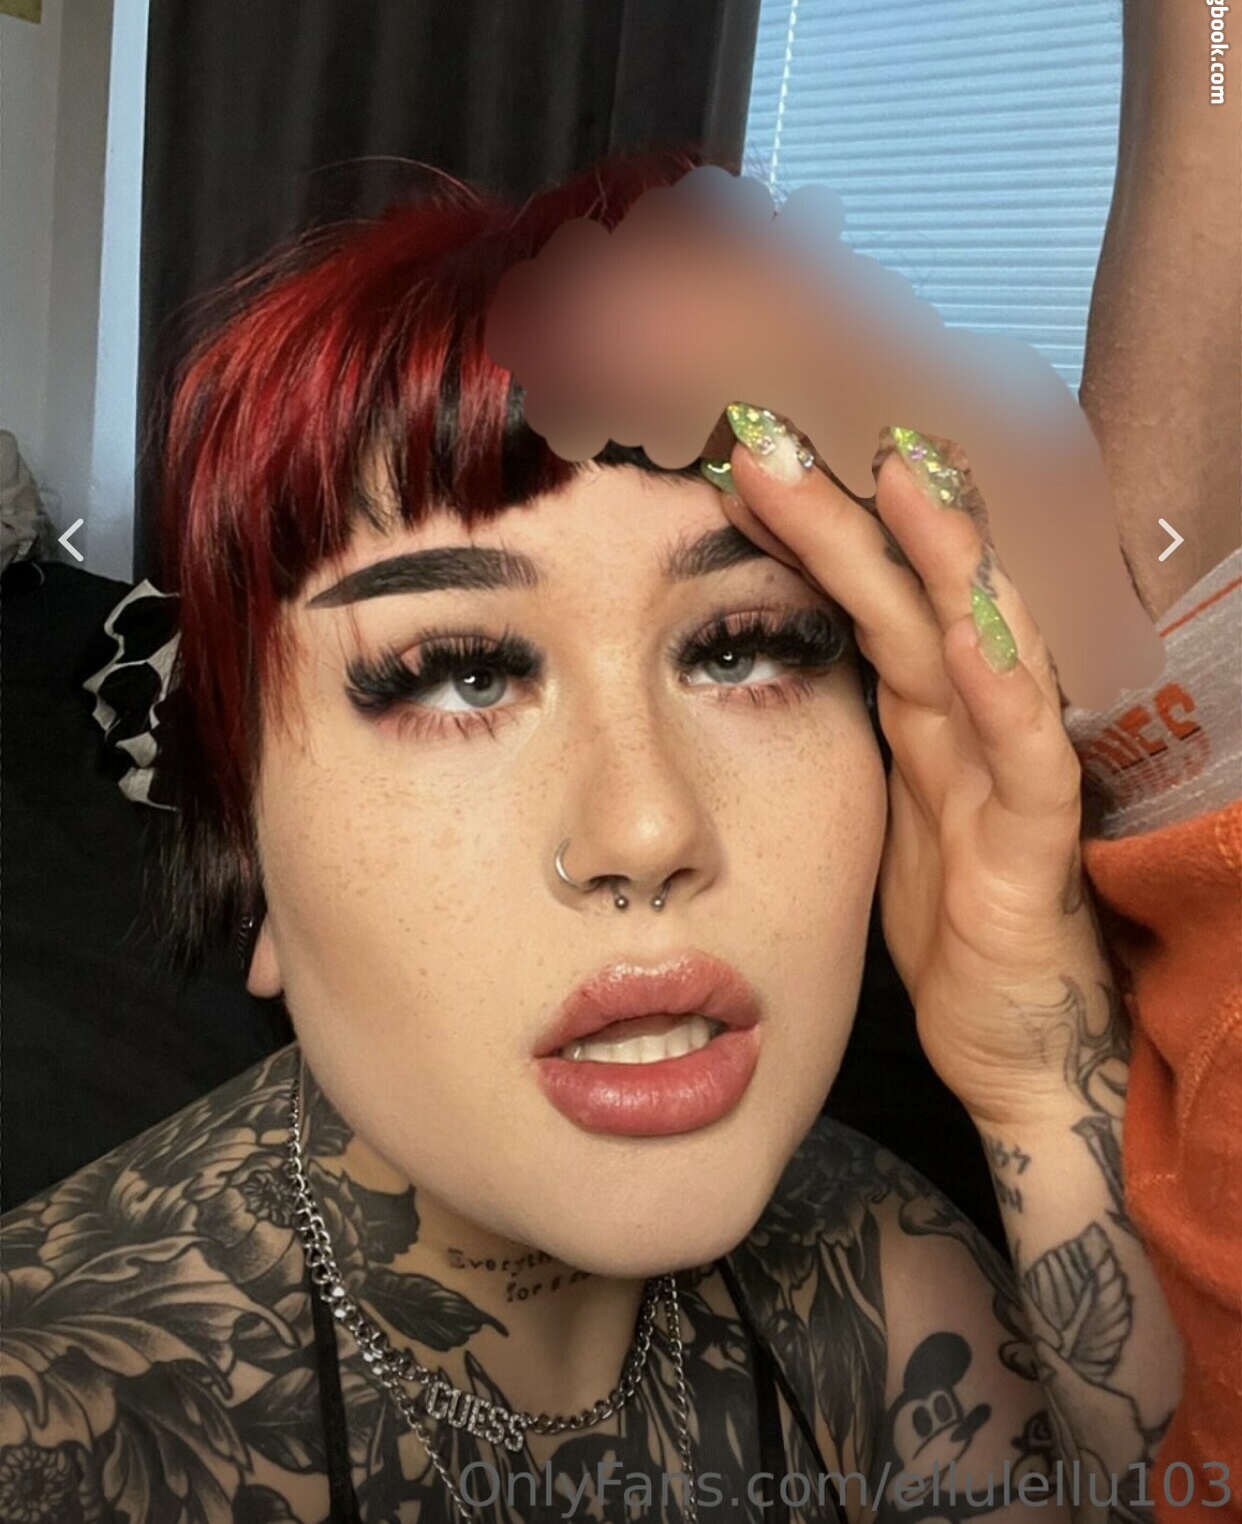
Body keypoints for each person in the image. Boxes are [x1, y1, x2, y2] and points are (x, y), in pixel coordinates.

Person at [0, 152, 1184, 1524]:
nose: (647, 825)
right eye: (458, 674)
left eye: (744, 648)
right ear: (246, 856)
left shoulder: (893, 1275)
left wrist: (1037, 1064)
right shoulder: (49, 1442)